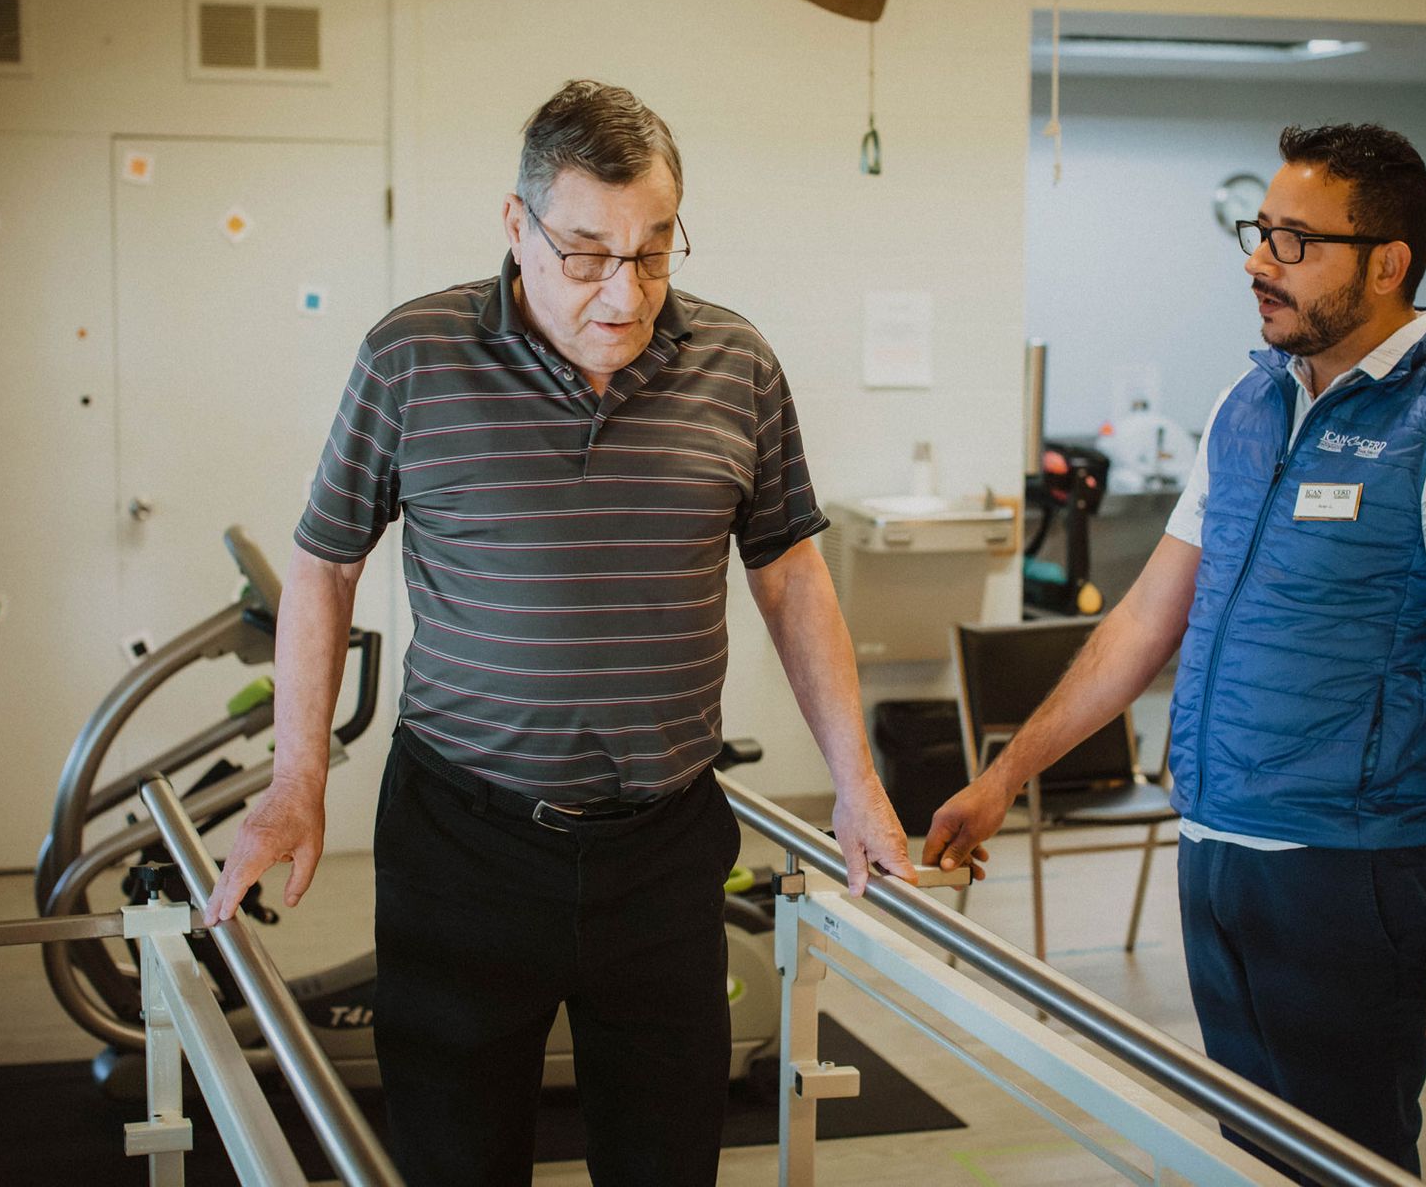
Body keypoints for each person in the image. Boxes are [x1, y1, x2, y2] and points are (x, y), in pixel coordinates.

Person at [203, 79, 916, 1186]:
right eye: (585, 253)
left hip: (664, 846)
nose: (623, 294)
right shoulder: (412, 357)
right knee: (458, 1155)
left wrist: (856, 780)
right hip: (463, 843)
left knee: (668, 1157)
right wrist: (299, 775)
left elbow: (787, 571)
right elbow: (325, 561)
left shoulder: (738, 364)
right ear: (515, 227)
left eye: (654, 251)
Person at [925, 123, 1426, 1180]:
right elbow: (1142, 621)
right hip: (1215, 849)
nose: (1260, 260)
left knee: (1349, 1159)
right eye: (1261, 232)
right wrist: (1004, 777)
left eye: (1296, 240)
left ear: (1388, 262)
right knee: (1255, 1153)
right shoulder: (1250, 401)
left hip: (1354, 873)